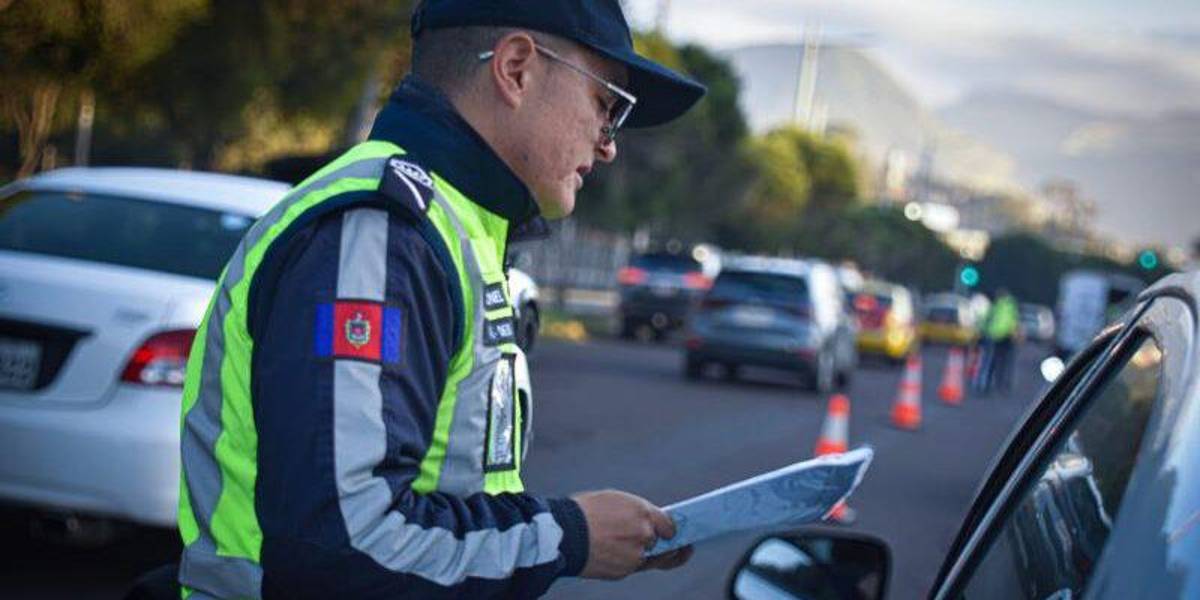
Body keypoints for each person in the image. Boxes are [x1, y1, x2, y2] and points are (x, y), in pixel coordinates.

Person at [173, 1, 705, 598]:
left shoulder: (451, 229)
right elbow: (342, 541)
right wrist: (567, 537)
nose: (608, 145)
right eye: (606, 104)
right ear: (516, 69)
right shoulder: (382, 234)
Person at [977, 288, 1019, 394]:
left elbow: (987, 320)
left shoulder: (997, 305)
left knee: (989, 362)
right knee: (1003, 364)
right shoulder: (1010, 306)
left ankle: (985, 385)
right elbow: (1013, 322)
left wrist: (982, 333)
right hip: (1004, 337)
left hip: (994, 337)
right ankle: (999, 385)